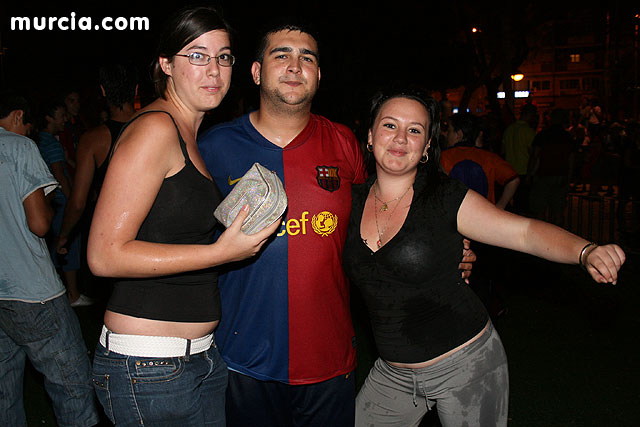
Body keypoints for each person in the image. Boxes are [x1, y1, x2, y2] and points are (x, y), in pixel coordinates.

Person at [199, 24, 475, 426]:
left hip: (329, 361)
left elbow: (384, 209)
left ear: (318, 75)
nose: (295, 66)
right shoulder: (213, 146)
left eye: (307, 58)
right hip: (241, 361)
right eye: (281, 55)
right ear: (256, 72)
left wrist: (444, 246)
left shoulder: (344, 142)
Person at [342, 88, 625, 426]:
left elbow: (523, 232)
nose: (401, 138)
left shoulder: (446, 198)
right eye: (390, 125)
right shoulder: (348, 202)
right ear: (370, 135)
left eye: (414, 129)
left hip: (466, 365)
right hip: (393, 376)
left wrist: (585, 251)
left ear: (427, 145)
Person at [86, 7, 280, 426]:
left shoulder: (191, 134)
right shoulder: (155, 129)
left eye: (223, 57)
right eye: (197, 55)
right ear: (166, 64)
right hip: (149, 368)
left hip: (198, 360)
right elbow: (104, 255)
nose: (213, 70)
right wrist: (221, 252)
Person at [0, 93, 99, 427]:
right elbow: (40, 223)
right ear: (18, 115)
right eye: (28, 125)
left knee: (4, 394)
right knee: (73, 388)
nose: (29, 132)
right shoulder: (19, 147)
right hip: (32, 291)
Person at [56, 63, 138, 302]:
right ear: (135, 89)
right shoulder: (157, 127)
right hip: (151, 224)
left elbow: (78, 201)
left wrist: (63, 235)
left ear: (103, 91)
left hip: (110, 227)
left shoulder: (93, 139)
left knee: (116, 298)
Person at [37, 98, 89, 305]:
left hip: (48, 203)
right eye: (61, 116)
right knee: (67, 245)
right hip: (59, 203)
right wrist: (72, 203)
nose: (65, 119)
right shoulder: (50, 143)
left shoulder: (40, 141)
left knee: (52, 248)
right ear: (49, 118)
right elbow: (60, 177)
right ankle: (73, 295)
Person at [441, 112, 520, 210]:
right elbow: (514, 180)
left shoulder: (443, 157)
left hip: (454, 215)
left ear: (459, 134)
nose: (445, 134)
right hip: (485, 215)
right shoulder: (489, 157)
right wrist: (500, 206)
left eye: (449, 131)